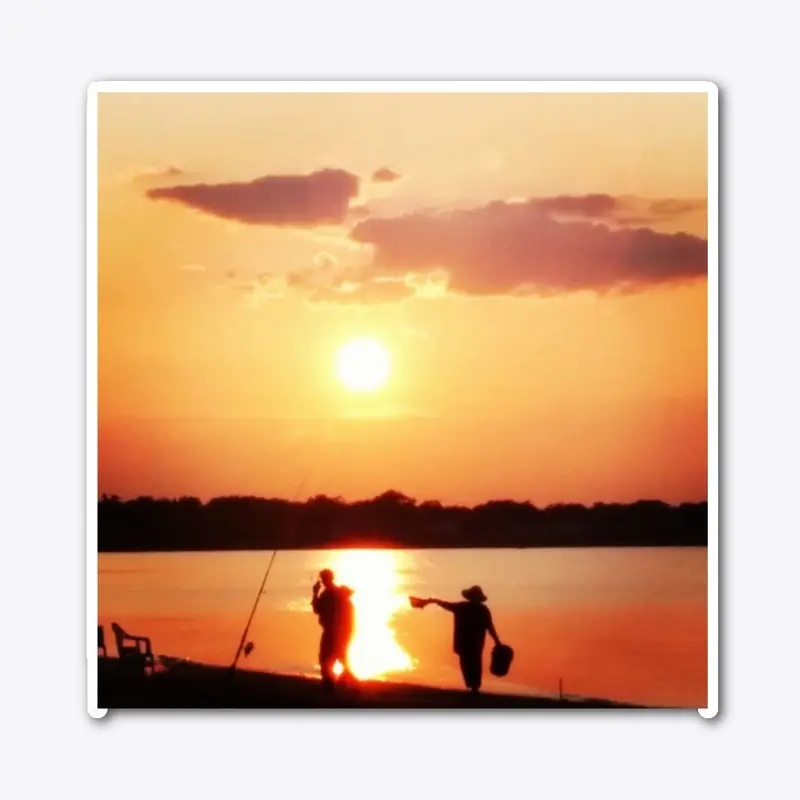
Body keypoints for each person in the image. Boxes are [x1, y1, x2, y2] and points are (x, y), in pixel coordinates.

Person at [412, 585, 501, 693]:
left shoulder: (462, 607)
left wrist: (431, 601)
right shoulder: (482, 610)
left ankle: (473, 686)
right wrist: (497, 642)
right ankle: (474, 687)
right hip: (476, 642)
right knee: (475, 663)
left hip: (464, 642)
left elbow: (445, 604)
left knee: (467, 663)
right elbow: (490, 627)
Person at [311, 569, 355, 689]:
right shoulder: (334, 593)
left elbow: (317, 609)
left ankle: (332, 683)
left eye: (324, 578)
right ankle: (340, 681)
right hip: (338, 631)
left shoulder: (329, 594)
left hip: (332, 631)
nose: (323, 580)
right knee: (337, 657)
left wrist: (315, 593)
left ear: (328, 578)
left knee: (327, 658)